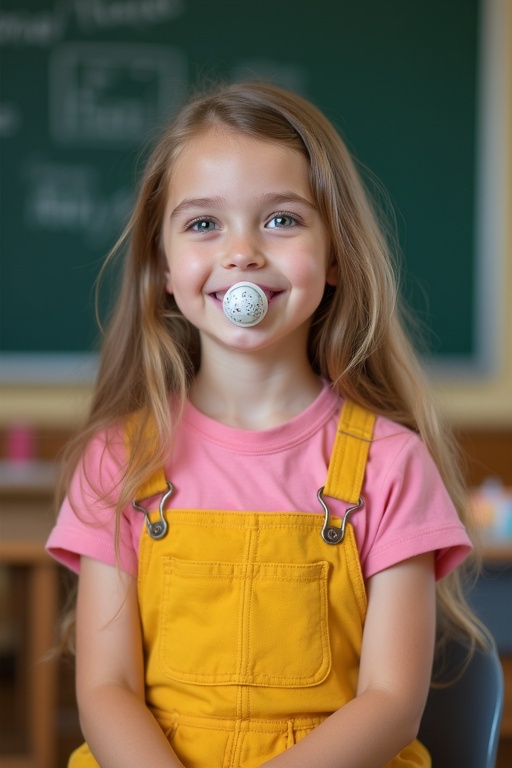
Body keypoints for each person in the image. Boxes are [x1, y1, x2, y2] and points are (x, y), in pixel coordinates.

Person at [47, 81, 484, 768]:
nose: (242, 252)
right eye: (202, 224)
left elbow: (392, 704)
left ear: (335, 253)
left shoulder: (391, 464)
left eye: (281, 220)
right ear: (164, 266)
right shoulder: (118, 461)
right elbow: (107, 689)